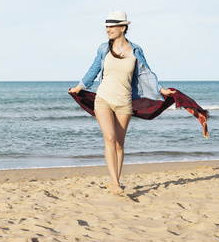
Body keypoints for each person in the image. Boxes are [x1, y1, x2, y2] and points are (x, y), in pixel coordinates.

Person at [69, 11, 175, 195]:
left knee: (119, 144)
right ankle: (115, 184)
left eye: (112, 26)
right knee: (109, 138)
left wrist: (161, 89)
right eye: (107, 27)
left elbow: (145, 74)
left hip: (124, 102)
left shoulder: (135, 51)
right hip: (103, 99)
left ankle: (116, 181)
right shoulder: (103, 49)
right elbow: (94, 68)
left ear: (123, 28)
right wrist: (80, 87)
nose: (108, 30)